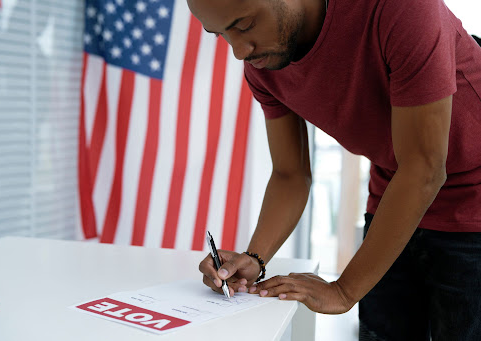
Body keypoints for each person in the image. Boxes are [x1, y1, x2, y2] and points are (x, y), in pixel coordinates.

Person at [187, 0, 481, 339]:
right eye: (220, 34)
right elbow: (290, 174)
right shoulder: (264, 63)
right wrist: (255, 258)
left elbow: (425, 167)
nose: (239, 51)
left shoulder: (403, 8)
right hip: (394, 196)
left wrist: (344, 291)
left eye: (245, 25)